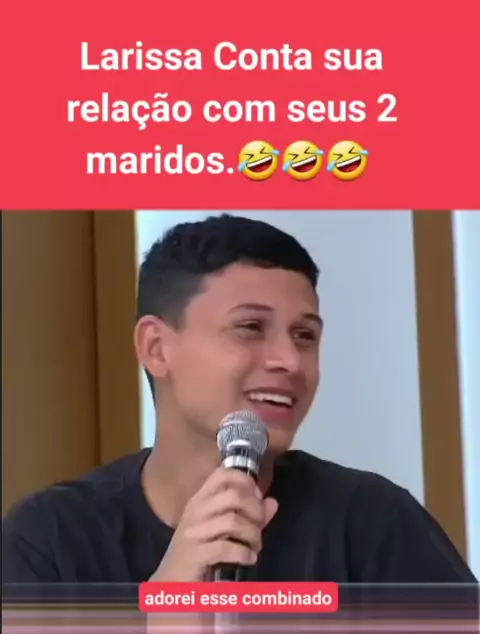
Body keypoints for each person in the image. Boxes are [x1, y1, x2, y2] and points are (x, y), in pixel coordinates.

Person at [2, 214, 476, 585]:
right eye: (250, 327)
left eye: (305, 335)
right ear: (156, 348)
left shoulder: (372, 522)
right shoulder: (53, 538)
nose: (289, 360)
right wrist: (163, 623)